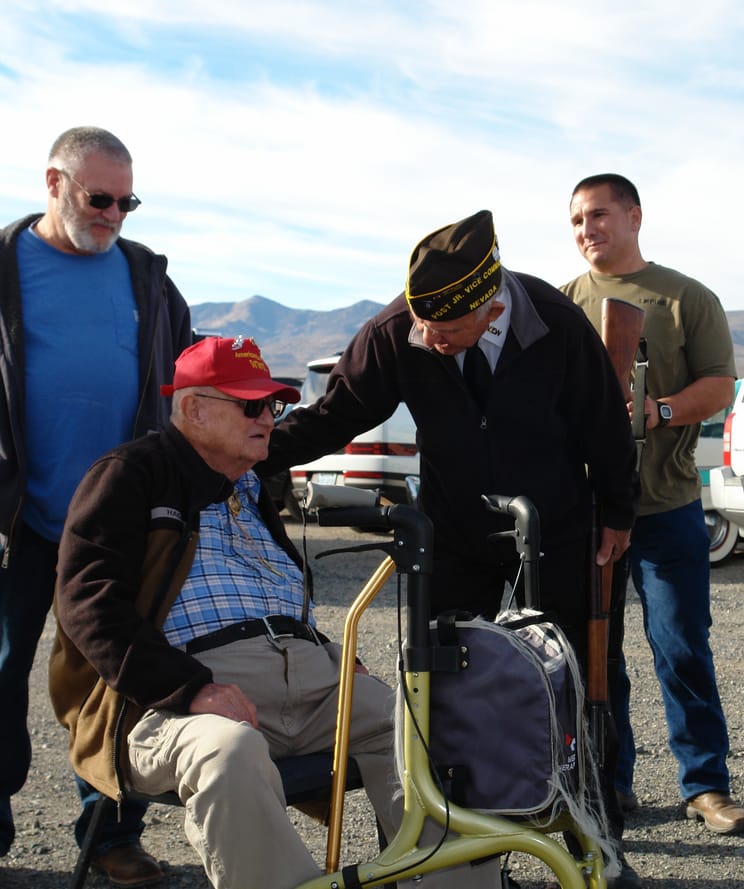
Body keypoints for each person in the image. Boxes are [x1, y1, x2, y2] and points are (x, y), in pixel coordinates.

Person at [260, 210, 641, 885]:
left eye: (446, 332)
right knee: (441, 687)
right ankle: (453, 854)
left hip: (555, 530)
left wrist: (617, 509)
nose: (428, 341)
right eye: (423, 327)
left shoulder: (553, 321)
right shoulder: (397, 331)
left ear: (491, 309)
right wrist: (251, 453)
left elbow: (604, 421)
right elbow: (338, 411)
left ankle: (596, 838)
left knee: (578, 685)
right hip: (454, 536)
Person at [48, 336, 487, 889]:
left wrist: (330, 652)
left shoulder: (250, 486)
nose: (269, 419)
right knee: (226, 753)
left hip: (308, 682)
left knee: (431, 731)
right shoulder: (129, 474)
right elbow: (88, 606)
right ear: (193, 408)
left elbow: (270, 599)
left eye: (273, 406)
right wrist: (190, 689)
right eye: (251, 405)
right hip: (182, 694)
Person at [0, 126, 191, 885]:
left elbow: (183, 371)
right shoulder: (5, 267)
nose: (114, 214)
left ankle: (111, 837)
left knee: (118, 677)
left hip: (118, 522)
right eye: (99, 197)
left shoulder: (147, 276)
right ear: (53, 182)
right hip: (18, 522)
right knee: (2, 667)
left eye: (127, 200)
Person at [562, 174, 744, 837]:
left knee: (681, 648)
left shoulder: (685, 297)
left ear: (634, 215)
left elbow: (722, 386)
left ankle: (705, 785)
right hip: (588, 513)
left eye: (599, 215)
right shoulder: (564, 301)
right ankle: (608, 782)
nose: (588, 230)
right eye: (578, 221)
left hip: (667, 506)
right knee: (596, 656)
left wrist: (659, 409)